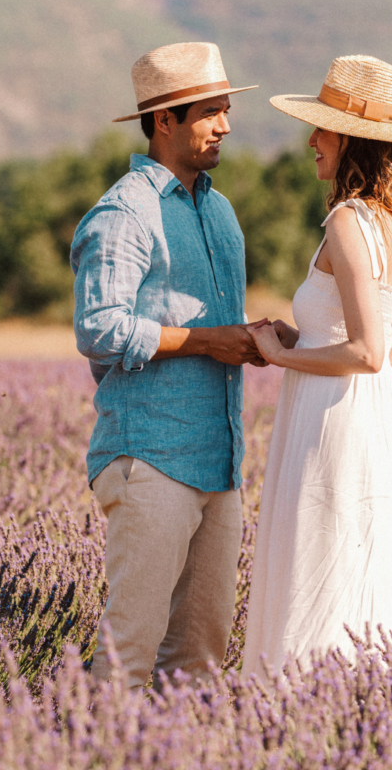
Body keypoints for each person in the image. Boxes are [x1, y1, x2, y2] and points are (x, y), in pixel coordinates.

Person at [243, 54, 392, 675]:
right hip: (378, 426)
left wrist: (282, 354)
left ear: (353, 140)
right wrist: (303, 340)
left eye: (323, 129)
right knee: (355, 587)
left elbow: (365, 353)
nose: (311, 140)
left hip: (329, 422)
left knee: (314, 574)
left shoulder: (348, 221)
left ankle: (291, 720)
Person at [70, 41, 264, 688]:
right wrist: (209, 341)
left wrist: (260, 338)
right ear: (164, 122)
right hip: (149, 456)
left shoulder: (218, 209)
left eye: (226, 110)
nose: (225, 126)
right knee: (130, 649)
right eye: (209, 112)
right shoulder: (126, 212)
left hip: (219, 459)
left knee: (202, 660)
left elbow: (211, 321)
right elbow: (99, 328)